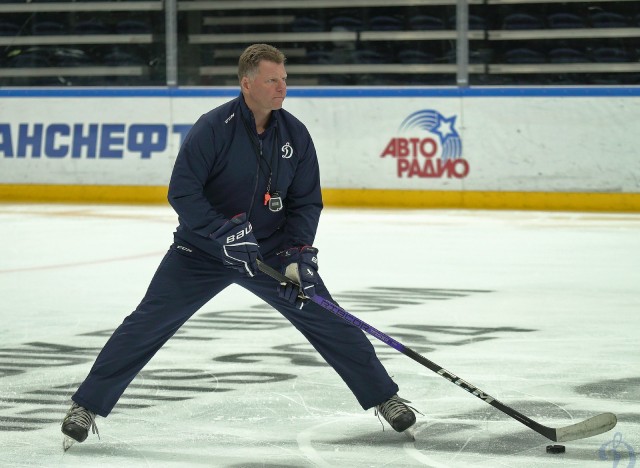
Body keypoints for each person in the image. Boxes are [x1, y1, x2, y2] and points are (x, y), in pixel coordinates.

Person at [61, 43, 416, 448]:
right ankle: (86, 405)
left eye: (284, 79)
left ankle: (385, 398)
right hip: (201, 252)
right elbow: (183, 192)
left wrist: (299, 253)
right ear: (247, 83)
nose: (282, 87)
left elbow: (305, 202)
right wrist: (222, 232)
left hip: (269, 253)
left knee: (328, 318)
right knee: (146, 324)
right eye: (272, 80)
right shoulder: (213, 127)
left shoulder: (295, 134)